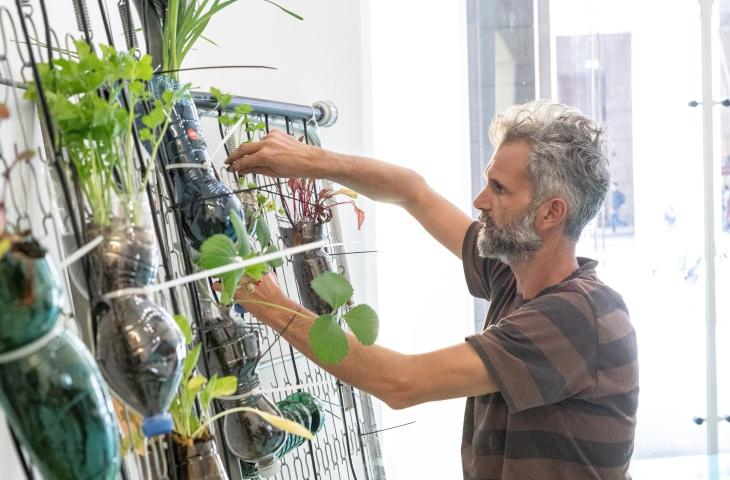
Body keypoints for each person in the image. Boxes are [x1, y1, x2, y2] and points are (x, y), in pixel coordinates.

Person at [224, 100, 638, 480]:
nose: (480, 201)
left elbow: (401, 382)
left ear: (550, 213)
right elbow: (413, 191)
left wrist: (267, 301)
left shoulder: (580, 315)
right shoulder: (515, 274)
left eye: (499, 189)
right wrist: (313, 160)